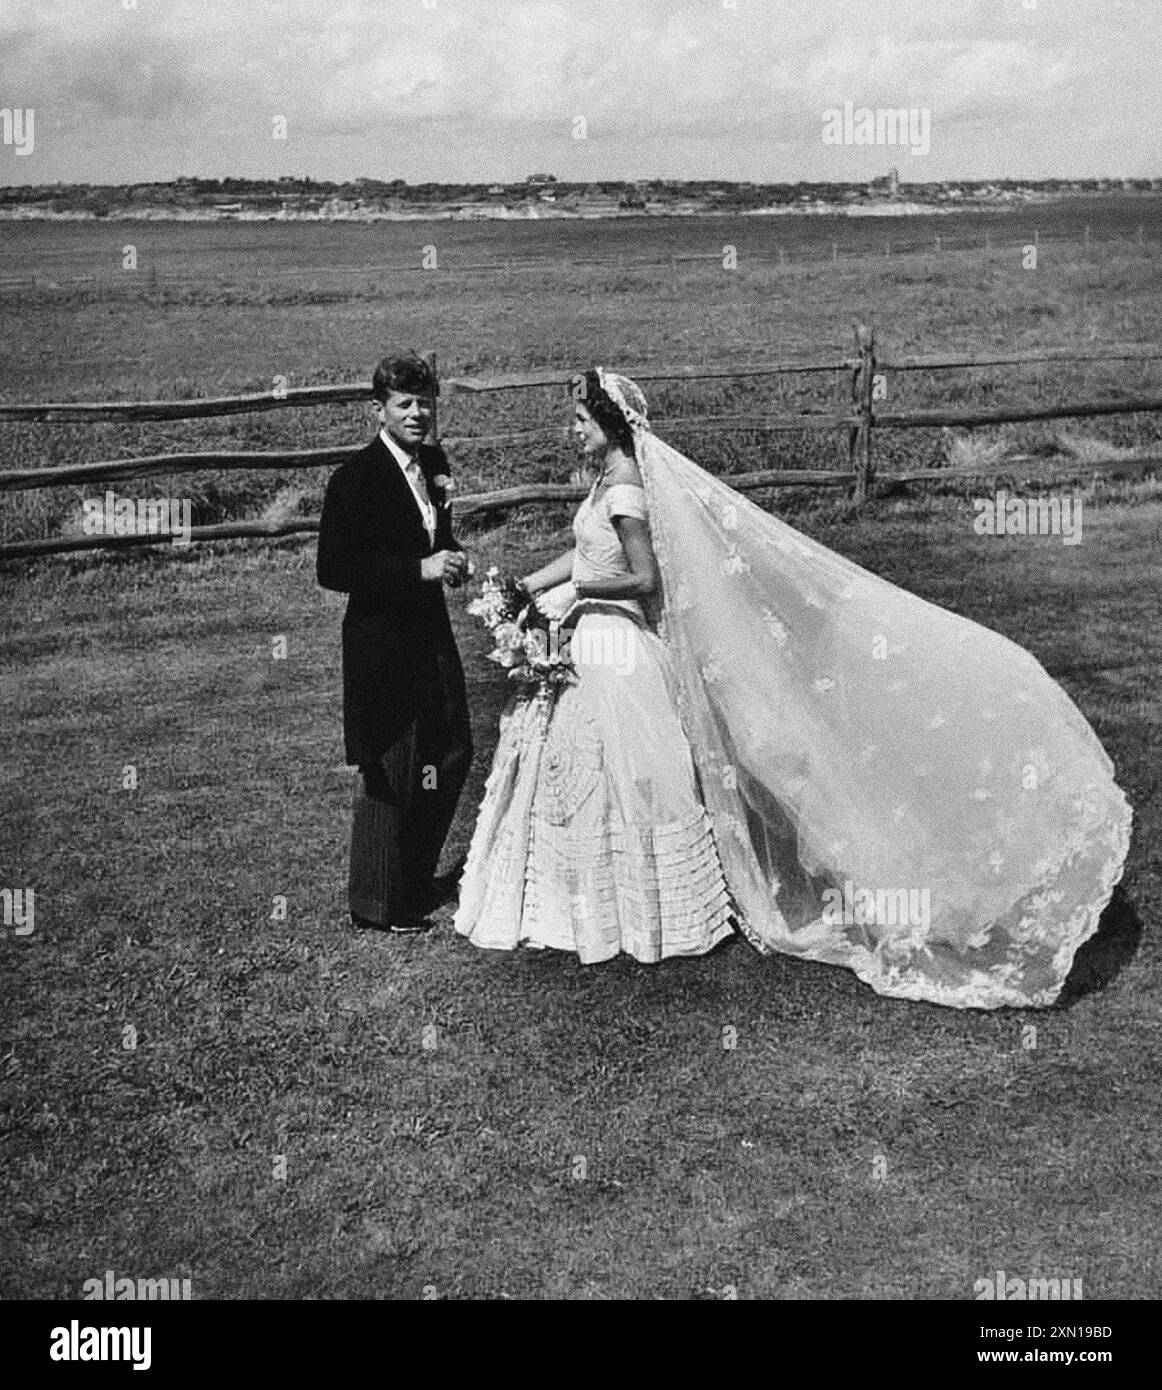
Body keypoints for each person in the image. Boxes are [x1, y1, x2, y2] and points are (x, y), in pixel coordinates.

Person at [453, 368, 1133, 1009]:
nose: (574, 430)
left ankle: (641, 908)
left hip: (618, 641)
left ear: (611, 424)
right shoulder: (604, 481)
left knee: (627, 771)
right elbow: (586, 549)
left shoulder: (627, 486)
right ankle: (589, 901)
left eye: (581, 419)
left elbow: (641, 578)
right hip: (594, 633)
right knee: (586, 767)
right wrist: (531, 588)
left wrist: (578, 593)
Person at [318, 352, 472, 934]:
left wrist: (451, 559)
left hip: (430, 632)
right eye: (404, 404)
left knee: (451, 747)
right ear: (378, 410)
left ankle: (413, 876)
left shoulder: (434, 461)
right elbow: (333, 568)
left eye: (425, 402)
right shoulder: (356, 477)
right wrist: (417, 570)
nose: (417, 414)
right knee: (393, 761)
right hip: (382, 643)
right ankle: (377, 903)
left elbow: (437, 532)